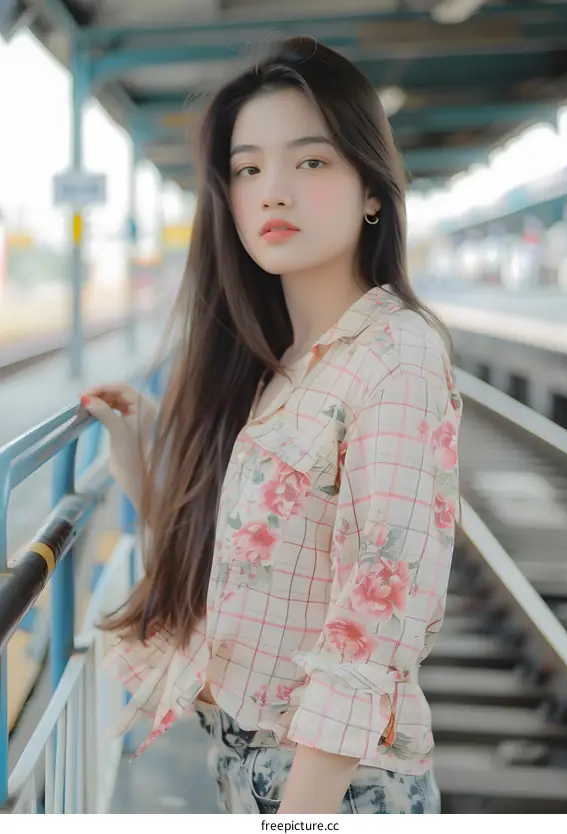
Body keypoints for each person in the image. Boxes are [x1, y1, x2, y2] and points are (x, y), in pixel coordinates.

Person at [82, 36, 462, 815]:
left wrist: (302, 816)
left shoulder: (395, 355)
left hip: (334, 790)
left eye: (311, 162)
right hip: (252, 773)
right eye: (249, 168)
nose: (273, 191)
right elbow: (244, 570)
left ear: (371, 191)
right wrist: (147, 454)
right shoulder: (280, 365)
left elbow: (374, 619)